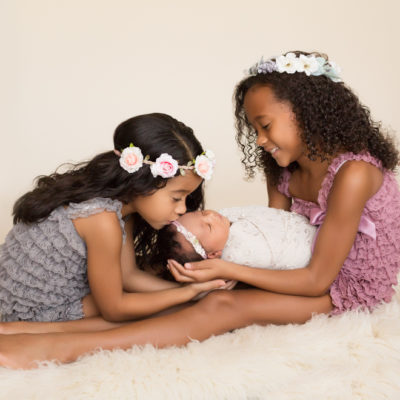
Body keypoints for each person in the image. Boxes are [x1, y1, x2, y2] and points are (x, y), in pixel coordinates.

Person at [1, 51, 400, 369]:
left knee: (218, 304)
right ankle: (25, 333)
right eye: (253, 129)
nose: (259, 140)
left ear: (308, 114)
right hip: (300, 272)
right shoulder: (284, 170)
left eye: (265, 125)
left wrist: (225, 272)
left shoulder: (354, 174)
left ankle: (53, 349)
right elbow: (269, 239)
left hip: (343, 289)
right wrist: (210, 267)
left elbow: (316, 280)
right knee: (189, 290)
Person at [0, 113, 223, 324]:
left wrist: (194, 292)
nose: (183, 209)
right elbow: (115, 308)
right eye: (176, 198)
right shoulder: (102, 219)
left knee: (160, 302)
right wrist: (187, 294)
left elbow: (128, 276)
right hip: (25, 311)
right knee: (155, 315)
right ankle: (17, 332)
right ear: (142, 182)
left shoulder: (120, 206)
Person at [159, 206, 316, 271]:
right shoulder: (237, 255)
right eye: (209, 227)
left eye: (201, 213)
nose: (211, 216)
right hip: (312, 253)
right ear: (213, 255)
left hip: (312, 224)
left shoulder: (225, 218)